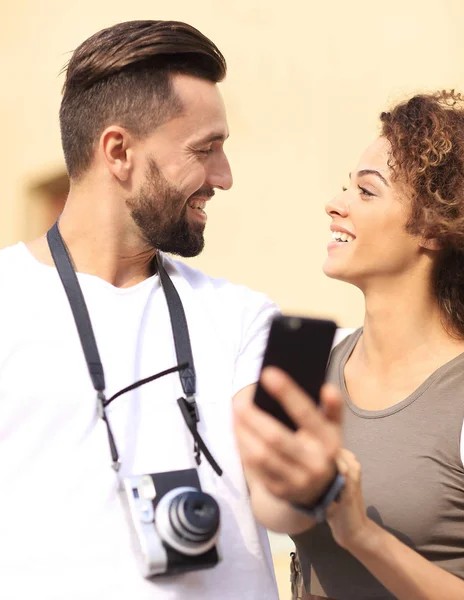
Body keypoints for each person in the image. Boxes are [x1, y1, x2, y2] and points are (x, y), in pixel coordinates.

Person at [0, 20, 280, 600]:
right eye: (206, 150)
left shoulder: (244, 317)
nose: (223, 178)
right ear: (119, 152)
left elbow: (283, 494)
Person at [234, 90, 464, 599]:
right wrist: (296, 488)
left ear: (433, 227)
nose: (335, 204)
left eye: (366, 192)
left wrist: (361, 533)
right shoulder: (314, 368)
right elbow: (269, 513)